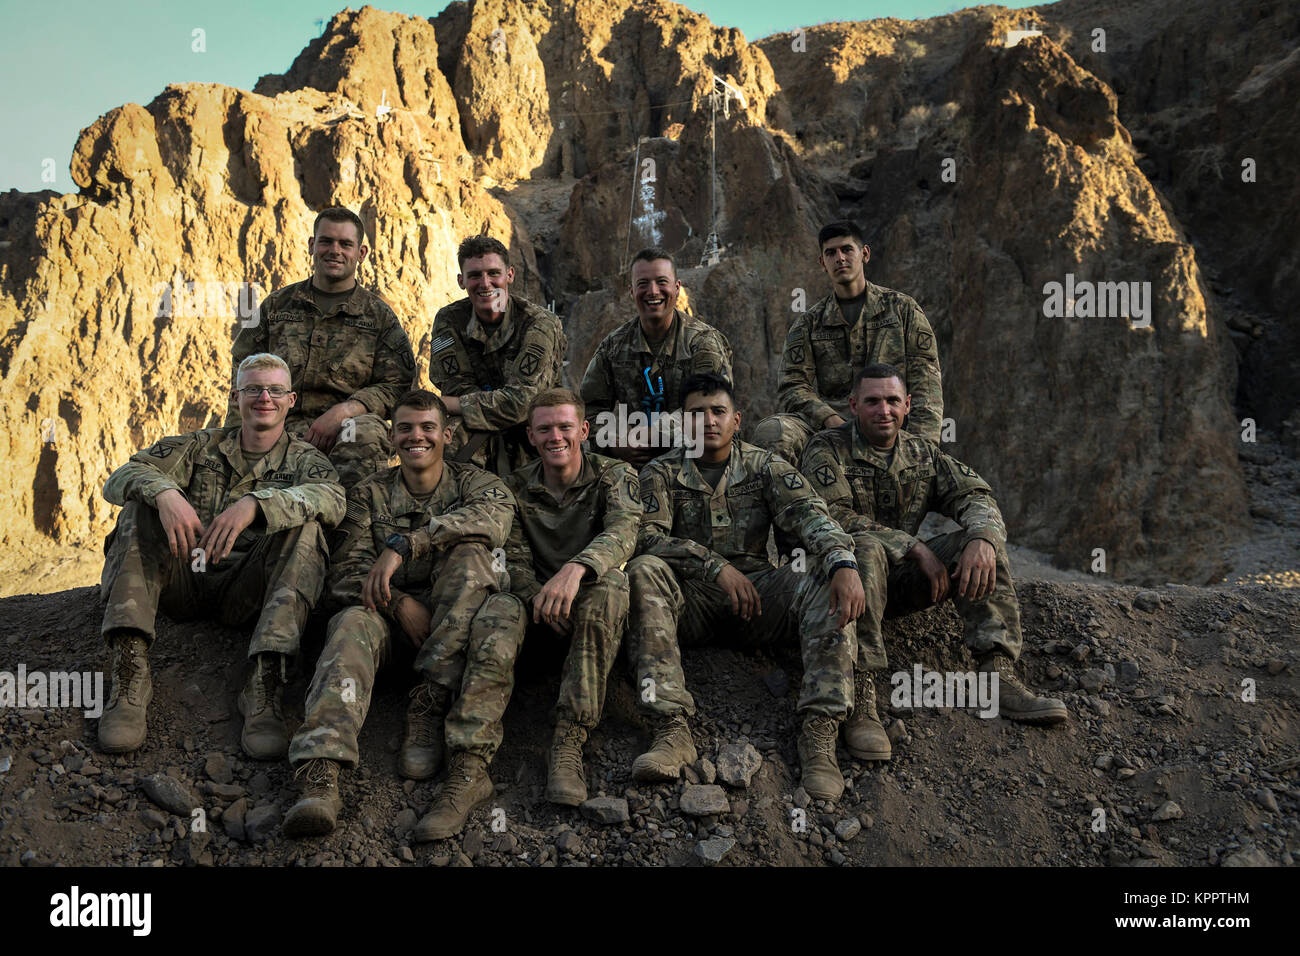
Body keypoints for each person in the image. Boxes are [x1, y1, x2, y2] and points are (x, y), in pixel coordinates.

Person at [282, 389, 520, 838]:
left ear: (447, 435)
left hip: (458, 631)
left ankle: (430, 701)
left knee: (472, 557)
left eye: (428, 428)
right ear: (391, 437)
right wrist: (398, 604)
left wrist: (408, 544)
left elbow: (492, 522)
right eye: (406, 428)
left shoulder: (478, 485)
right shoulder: (368, 494)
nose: (417, 437)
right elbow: (345, 575)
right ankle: (320, 772)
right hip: (389, 627)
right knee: (351, 622)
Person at [627, 372, 866, 802]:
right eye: (696, 414)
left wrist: (843, 561)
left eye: (718, 412)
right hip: (691, 602)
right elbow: (645, 537)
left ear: (737, 419)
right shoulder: (660, 473)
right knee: (644, 568)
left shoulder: (765, 466)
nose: (708, 422)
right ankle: (671, 729)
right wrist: (713, 565)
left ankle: (819, 733)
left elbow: (811, 515)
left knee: (819, 579)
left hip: (758, 598)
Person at [799, 362, 1068, 745]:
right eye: (873, 401)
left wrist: (982, 537)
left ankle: (998, 676)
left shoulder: (922, 454)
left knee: (977, 541)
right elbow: (832, 516)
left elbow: (975, 494)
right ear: (853, 405)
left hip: (899, 582)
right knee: (869, 549)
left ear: (908, 405)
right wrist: (913, 546)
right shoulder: (825, 450)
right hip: (840, 584)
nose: (884, 410)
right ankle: (862, 695)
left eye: (893, 401)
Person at [98, 353, 344, 759]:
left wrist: (257, 504)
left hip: (245, 594)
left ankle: (265, 683)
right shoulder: (198, 446)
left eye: (275, 390)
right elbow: (121, 476)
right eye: (253, 389)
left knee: (307, 529)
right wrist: (165, 494)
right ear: (235, 396)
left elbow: (332, 500)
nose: (264, 397)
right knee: (138, 509)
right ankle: (129, 672)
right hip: (184, 579)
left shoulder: (305, 461)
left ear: (291, 400)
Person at [501, 389, 641, 806]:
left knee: (613, 585)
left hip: (594, 607)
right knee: (495, 606)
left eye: (564, 427)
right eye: (544, 428)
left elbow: (624, 531)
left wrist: (576, 569)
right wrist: (535, 597)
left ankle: (568, 740)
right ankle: (468, 754)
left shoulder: (614, 475)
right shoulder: (513, 488)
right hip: (539, 614)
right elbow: (510, 558)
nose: (555, 436)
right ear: (530, 435)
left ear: (583, 430)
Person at [226, 206, 416, 487]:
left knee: (365, 433)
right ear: (312, 246)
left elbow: (398, 385)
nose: (335, 250)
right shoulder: (277, 307)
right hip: (278, 422)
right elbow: (243, 368)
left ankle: (354, 523)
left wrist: (347, 410)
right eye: (326, 241)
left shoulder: (378, 317)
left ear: (361, 254)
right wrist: (233, 432)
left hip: (345, 429)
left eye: (345, 244)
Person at [753, 220, 944, 466]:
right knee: (773, 432)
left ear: (864, 254)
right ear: (822, 263)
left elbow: (926, 382)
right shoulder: (809, 324)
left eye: (847, 249)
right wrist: (829, 419)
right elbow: (792, 385)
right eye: (830, 253)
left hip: (889, 421)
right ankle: (790, 501)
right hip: (832, 428)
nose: (839, 258)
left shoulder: (902, 311)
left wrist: (921, 446)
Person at [580, 247, 733, 467]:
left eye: (662, 282)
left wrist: (654, 434)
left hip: (696, 458)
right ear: (631, 291)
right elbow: (588, 409)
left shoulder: (703, 343)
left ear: (677, 288)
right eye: (643, 284)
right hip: (635, 460)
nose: (653, 291)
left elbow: (714, 409)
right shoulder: (614, 347)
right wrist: (614, 442)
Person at [428, 235, 567, 474]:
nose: (485, 283)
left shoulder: (539, 323)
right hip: (476, 428)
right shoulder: (449, 320)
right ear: (461, 281)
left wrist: (452, 404)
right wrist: (467, 405)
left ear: (509, 275)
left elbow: (523, 403)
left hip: (534, 428)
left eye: (494, 273)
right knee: (447, 434)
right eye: (474, 276)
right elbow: (456, 387)